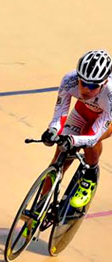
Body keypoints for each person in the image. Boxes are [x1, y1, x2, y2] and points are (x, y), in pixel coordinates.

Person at [41, 49, 112, 208]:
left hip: (105, 118)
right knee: (59, 157)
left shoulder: (110, 94)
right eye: (83, 82)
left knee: (87, 133)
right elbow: (60, 112)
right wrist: (52, 131)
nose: (86, 89)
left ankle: (90, 174)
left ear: (104, 83)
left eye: (92, 85)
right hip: (83, 110)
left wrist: (72, 139)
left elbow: (93, 136)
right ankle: (39, 209)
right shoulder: (69, 80)